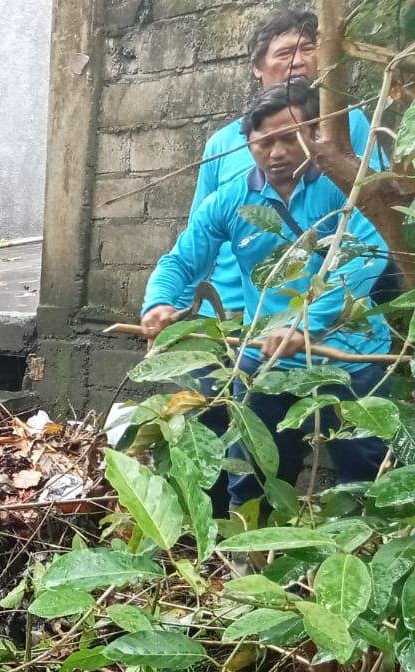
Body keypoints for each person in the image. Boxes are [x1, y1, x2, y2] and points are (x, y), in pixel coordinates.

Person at [140, 80, 391, 511]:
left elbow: (369, 254)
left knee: (364, 475)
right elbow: (182, 261)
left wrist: (307, 322)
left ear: (314, 134)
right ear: (247, 143)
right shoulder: (232, 200)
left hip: (353, 356)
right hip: (267, 358)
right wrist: (159, 303)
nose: (277, 153)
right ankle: (249, 564)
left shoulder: (343, 187)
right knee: (257, 475)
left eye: (290, 138)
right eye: (264, 142)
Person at [187, 10, 380, 324]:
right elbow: (197, 239)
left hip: (310, 314)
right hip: (224, 313)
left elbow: (376, 212)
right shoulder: (223, 143)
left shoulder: (345, 122)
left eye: (308, 49)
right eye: (285, 53)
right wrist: (176, 309)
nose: (299, 62)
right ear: (256, 67)